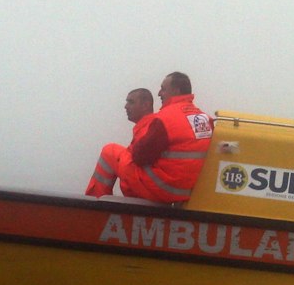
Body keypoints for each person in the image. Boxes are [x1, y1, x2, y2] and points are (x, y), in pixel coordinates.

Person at [86, 72, 211, 203]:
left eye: (163, 89)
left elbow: (140, 157)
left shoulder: (165, 118)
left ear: (176, 90)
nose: (159, 93)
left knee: (110, 151)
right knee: (127, 163)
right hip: (183, 191)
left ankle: (93, 205)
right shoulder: (204, 119)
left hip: (161, 188)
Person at [85, 87, 157, 197]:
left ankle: (94, 201)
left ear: (145, 105)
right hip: (149, 184)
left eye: (131, 102)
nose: (126, 106)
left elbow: (141, 161)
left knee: (109, 151)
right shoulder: (149, 126)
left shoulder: (151, 127)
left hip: (146, 186)